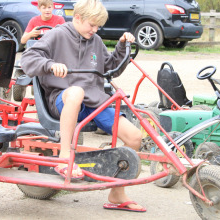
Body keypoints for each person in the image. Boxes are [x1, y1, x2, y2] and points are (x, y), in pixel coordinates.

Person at [21, 0, 145, 213]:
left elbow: (110, 68)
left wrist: (123, 45)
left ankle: (116, 193)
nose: (95, 30)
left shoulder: (94, 40)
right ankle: (64, 156)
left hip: (93, 101)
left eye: (98, 26)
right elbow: (28, 59)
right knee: (76, 91)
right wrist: (50, 65)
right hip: (63, 100)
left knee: (134, 137)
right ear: (77, 18)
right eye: (92, 25)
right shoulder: (57, 35)